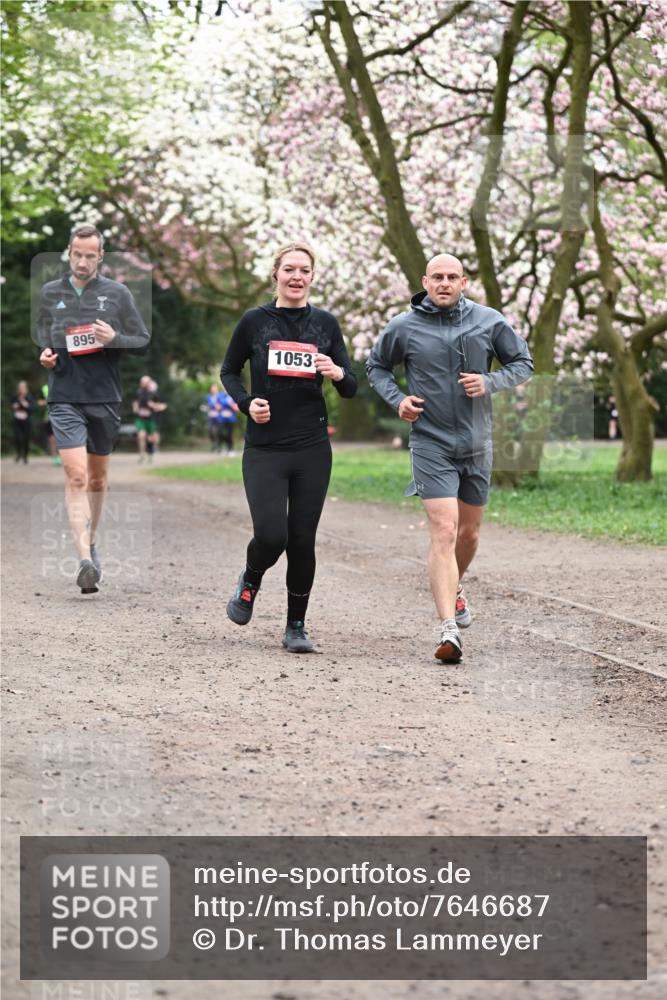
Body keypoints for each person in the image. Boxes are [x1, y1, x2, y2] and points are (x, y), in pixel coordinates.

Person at [366, 253, 533, 663]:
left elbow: (523, 363)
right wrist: (398, 399)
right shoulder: (404, 326)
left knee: (468, 534)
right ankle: (448, 630)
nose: (444, 283)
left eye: (452, 277)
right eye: (437, 277)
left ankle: (455, 585)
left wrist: (490, 380)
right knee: (444, 529)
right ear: (425, 282)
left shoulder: (488, 321)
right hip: (431, 442)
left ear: (463, 282)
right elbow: (376, 367)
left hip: (477, 444)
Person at [220, 241, 357, 652]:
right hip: (265, 447)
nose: (297, 276)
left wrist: (336, 372)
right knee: (271, 535)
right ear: (276, 274)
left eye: (304, 270)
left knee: (301, 540)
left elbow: (350, 386)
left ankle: (295, 626)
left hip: (312, 447)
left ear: (312, 277)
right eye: (290, 269)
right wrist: (247, 404)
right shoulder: (254, 321)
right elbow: (229, 371)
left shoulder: (326, 324)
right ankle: (251, 578)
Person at [37, 222, 150, 593]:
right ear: (68, 253)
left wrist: (114, 338)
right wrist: (45, 355)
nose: (82, 262)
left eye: (89, 255)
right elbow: (44, 339)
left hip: (104, 397)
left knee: (98, 480)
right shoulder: (50, 293)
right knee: (76, 476)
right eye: (77, 254)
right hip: (64, 396)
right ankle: (84, 558)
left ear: (100, 257)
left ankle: (93, 540)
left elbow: (142, 342)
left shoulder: (117, 294)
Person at [133, 375, 166, 463]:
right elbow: (135, 401)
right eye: (142, 382)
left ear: (149, 382)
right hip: (141, 418)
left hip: (151, 419)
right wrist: (135, 408)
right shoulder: (139, 392)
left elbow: (163, 406)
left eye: (145, 382)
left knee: (150, 438)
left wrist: (153, 405)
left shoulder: (154, 393)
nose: (143, 384)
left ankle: (150, 454)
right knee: (141, 436)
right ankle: (142, 455)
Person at [207, 382, 238, 454]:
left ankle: (230, 449)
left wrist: (231, 404)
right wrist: (218, 408)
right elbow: (217, 407)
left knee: (229, 434)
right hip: (222, 418)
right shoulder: (220, 396)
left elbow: (236, 408)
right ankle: (220, 448)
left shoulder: (233, 395)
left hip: (230, 418)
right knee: (220, 433)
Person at [11, 380, 36, 463]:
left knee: (26, 439)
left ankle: (25, 456)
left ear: (25, 388)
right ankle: (19, 453)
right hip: (17, 421)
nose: (21, 389)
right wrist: (14, 406)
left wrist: (26, 405)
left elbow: (33, 408)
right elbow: (11, 405)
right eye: (20, 387)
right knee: (17, 438)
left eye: (23, 387)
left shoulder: (29, 397)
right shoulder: (15, 396)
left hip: (26, 421)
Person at [37, 383, 61, 465]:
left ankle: (62, 456)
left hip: (62, 416)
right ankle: (55, 457)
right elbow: (39, 402)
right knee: (52, 438)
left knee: (60, 437)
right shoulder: (45, 388)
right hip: (48, 417)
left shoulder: (62, 384)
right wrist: (48, 402)